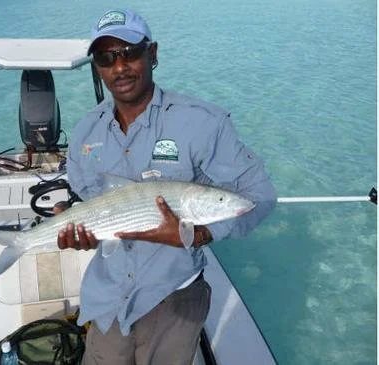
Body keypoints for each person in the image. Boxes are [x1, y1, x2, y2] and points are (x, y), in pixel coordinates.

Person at [57, 8, 277, 365]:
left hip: (173, 298)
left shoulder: (203, 122)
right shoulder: (85, 131)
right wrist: (79, 231)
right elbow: (90, 202)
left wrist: (198, 234)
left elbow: (259, 197)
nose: (119, 67)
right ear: (97, 67)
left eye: (129, 52)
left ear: (153, 53)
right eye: (105, 57)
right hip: (107, 296)